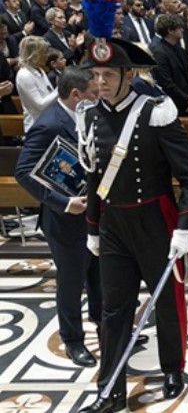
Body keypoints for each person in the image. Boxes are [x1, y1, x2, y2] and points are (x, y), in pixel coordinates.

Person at [77, 0, 188, 413]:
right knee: (113, 308)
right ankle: (109, 389)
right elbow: (94, 177)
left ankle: (172, 367)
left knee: (166, 300)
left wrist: (185, 226)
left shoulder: (156, 111)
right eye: (96, 74)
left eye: (109, 74)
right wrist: (93, 226)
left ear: (128, 75)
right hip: (114, 224)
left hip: (155, 219)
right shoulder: (90, 116)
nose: (101, 82)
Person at [15, 67, 102, 368]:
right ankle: (73, 340)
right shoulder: (49, 123)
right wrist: (64, 203)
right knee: (71, 282)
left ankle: (105, 328)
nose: (98, 98)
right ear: (76, 95)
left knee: (99, 276)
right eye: (93, 93)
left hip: (93, 214)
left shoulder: (87, 116)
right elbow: (23, 172)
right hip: (65, 220)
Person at [16, 35, 58, 131]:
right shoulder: (24, 75)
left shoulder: (40, 70)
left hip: (49, 121)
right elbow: (40, 105)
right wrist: (59, 89)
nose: (47, 55)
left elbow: (49, 94)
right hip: (36, 126)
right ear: (34, 54)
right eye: (44, 52)